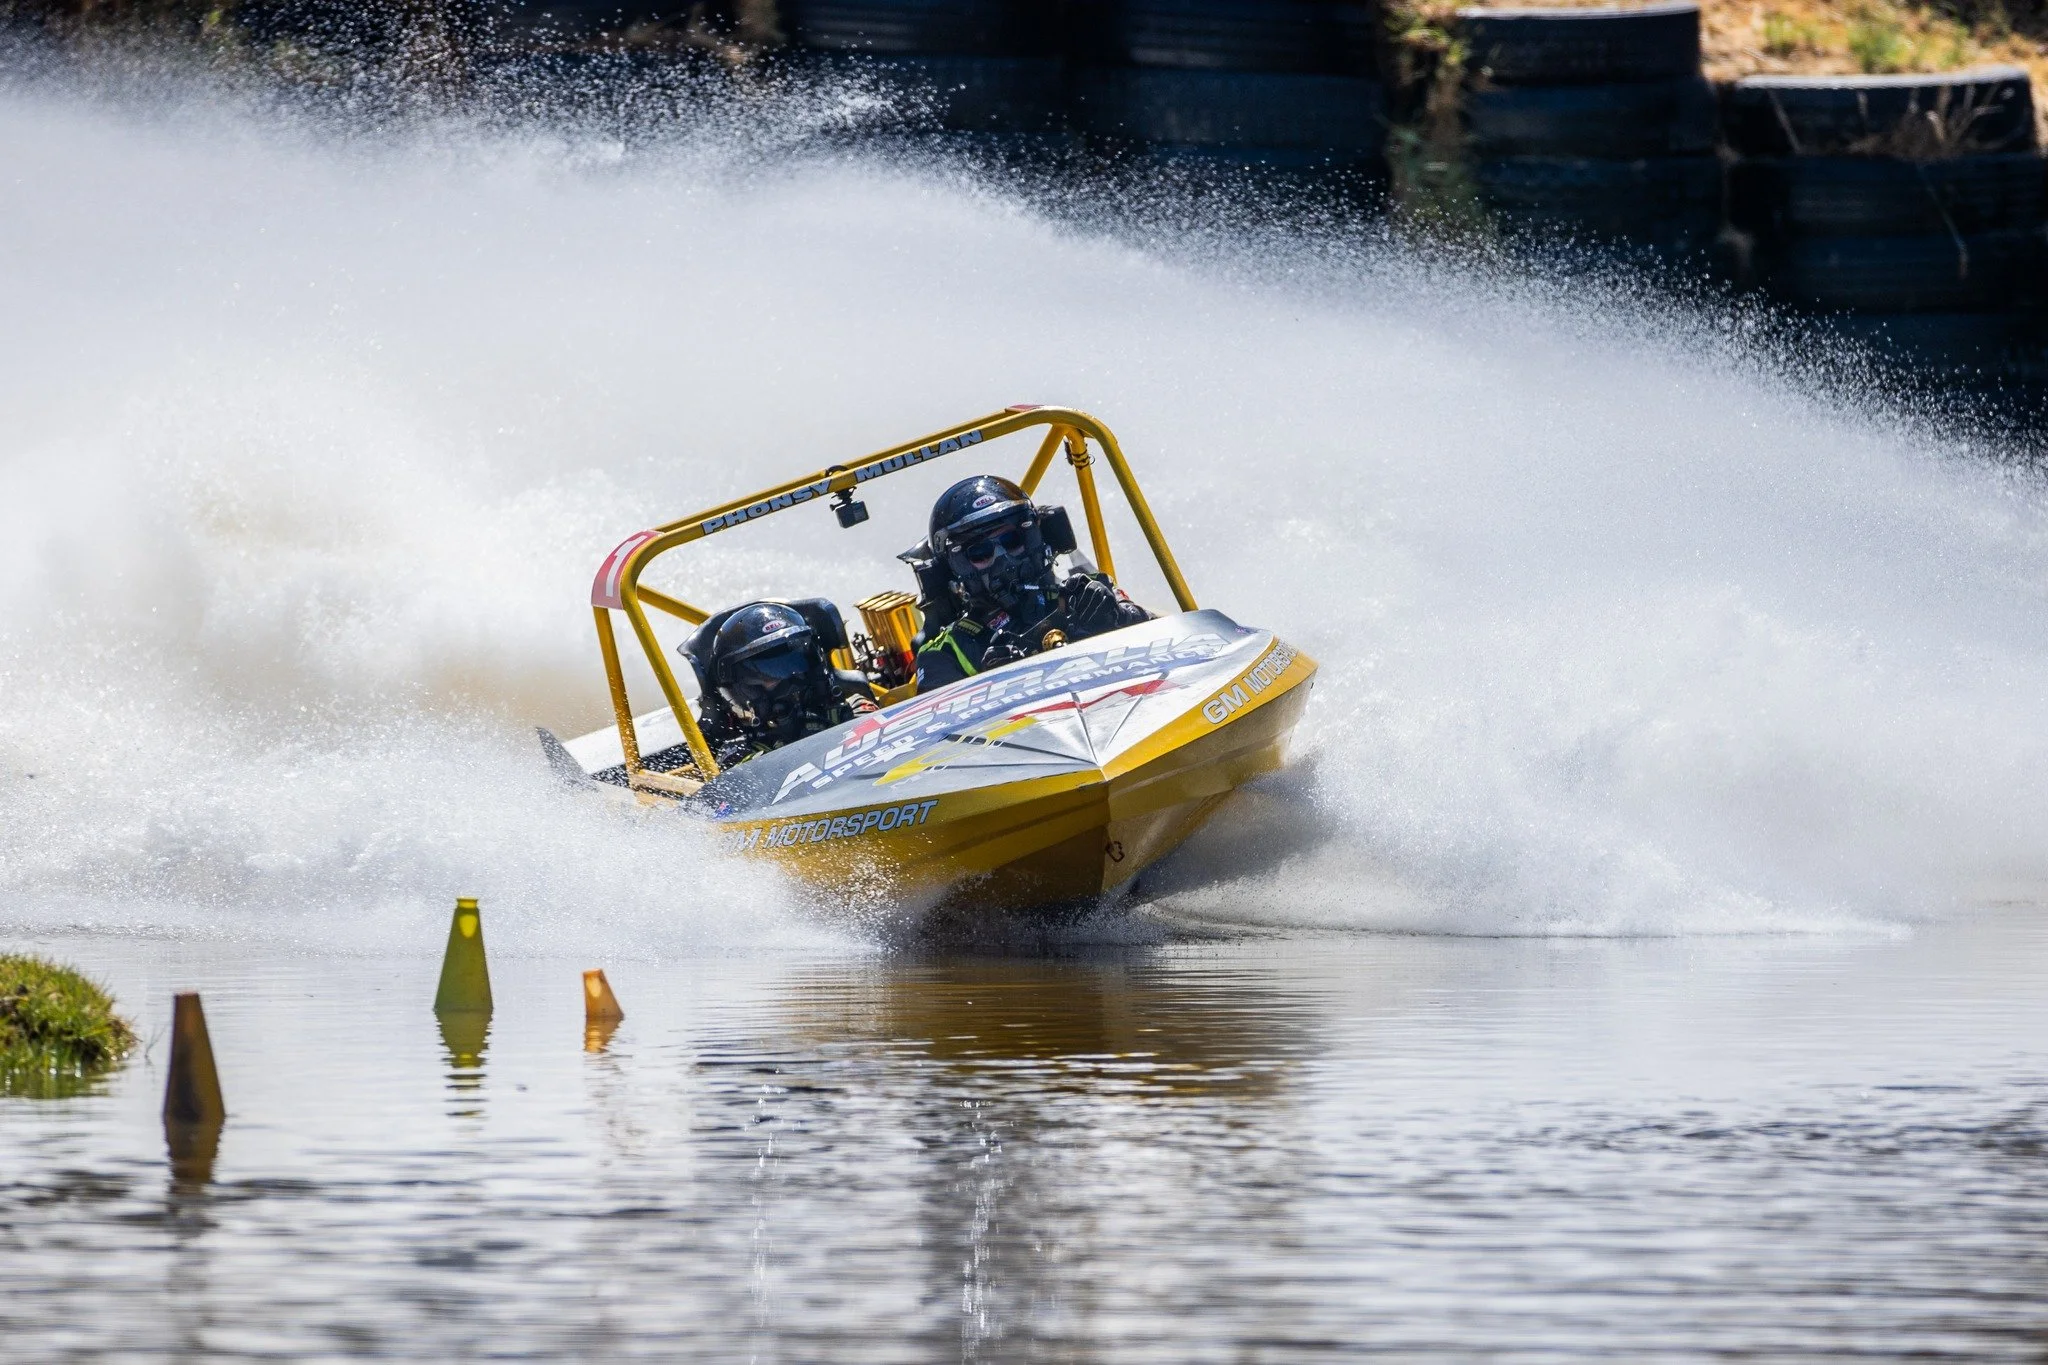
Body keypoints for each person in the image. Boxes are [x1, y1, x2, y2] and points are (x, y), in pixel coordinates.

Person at [913, 475, 1151, 691]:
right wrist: (992, 685)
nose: (1004, 560)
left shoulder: (1086, 593)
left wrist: (1118, 618)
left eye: (1011, 540)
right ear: (956, 568)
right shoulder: (946, 652)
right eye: (981, 552)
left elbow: (1162, 636)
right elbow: (935, 719)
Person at [689, 601, 876, 767]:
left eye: (796, 663)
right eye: (771, 673)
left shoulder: (852, 709)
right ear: (745, 687)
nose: (791, 680)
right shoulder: (738, 754)